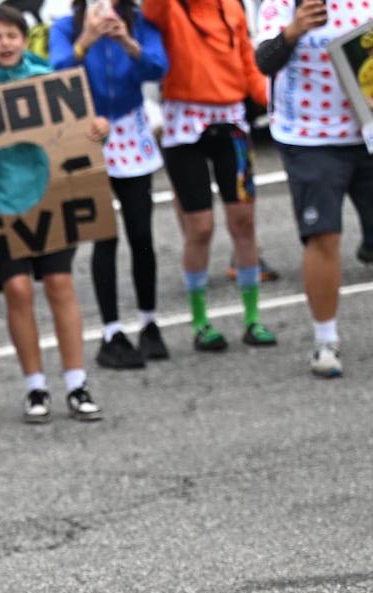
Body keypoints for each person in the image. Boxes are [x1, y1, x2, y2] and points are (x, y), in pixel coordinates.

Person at [0, 6, 106, 423]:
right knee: (18, 290)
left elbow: (79, 128)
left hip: (50, 198)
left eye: (12, 35)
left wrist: (97, 128)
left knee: (61, 284)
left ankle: (77, 383)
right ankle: (35, 387)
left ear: (25, 40)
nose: (5, 43)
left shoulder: (49, 79)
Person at [143, 0, 277, 352]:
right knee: (200, 228)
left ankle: (252, 318)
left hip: (232, 123)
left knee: (244, 222)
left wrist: (275, 103)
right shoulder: (168, 7)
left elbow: (248, 60)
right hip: (184, 126)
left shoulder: (231, 5)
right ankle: (200, 322)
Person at [49, 0, 170, 369]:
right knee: (105, 236)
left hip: (131, 129)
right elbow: (55, 76)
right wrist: (85, 41)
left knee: (141, 232)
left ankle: (149, 322)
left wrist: (127, 42)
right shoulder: (65, 27)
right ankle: (111, 331)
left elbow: (158, 68)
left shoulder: (140, 22)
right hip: (89, 132)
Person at [255, 0, 373, 377]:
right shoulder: (284, 4)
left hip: (366, 129)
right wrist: (293, 31)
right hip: (310, 138)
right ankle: (325, 340)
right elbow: (264, 61)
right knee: (324, 236)